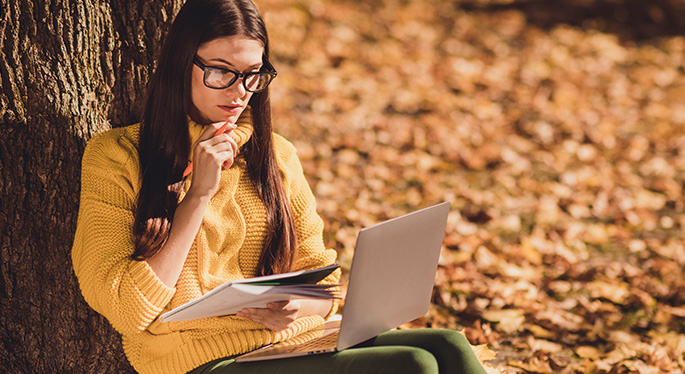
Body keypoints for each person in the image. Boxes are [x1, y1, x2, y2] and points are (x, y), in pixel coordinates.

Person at [71, 0, 487, 373]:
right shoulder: (117, 156)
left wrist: (292, 307)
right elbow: (126, 309)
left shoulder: (276, 156)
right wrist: (198, 194)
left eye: (252, 75)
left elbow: (322, 286)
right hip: (201, 358)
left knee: (448, 345)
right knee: (412, 364)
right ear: (181, 64)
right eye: (221, 72)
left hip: (290, 343)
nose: (239, 92)